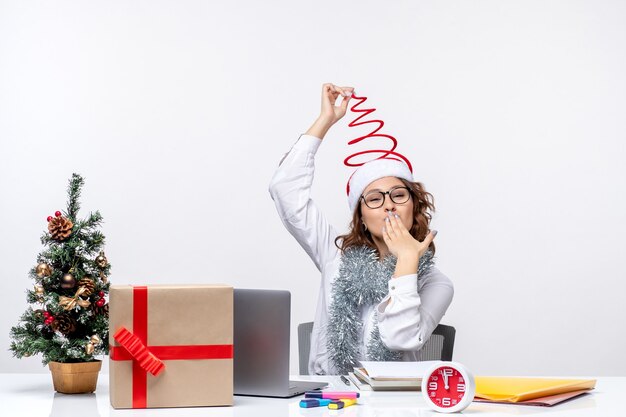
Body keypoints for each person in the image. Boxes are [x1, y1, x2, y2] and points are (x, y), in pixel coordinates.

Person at [269, 83, 454, 375]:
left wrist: (407, 262)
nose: (388, 205)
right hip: (329, 399)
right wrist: (325, 120)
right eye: (375, 198)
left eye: (398, 195)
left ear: (414, 206)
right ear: (362, 216)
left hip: (394, 403)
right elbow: (284, 190)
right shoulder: (335, 254)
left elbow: (401, 339)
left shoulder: (436, 282)